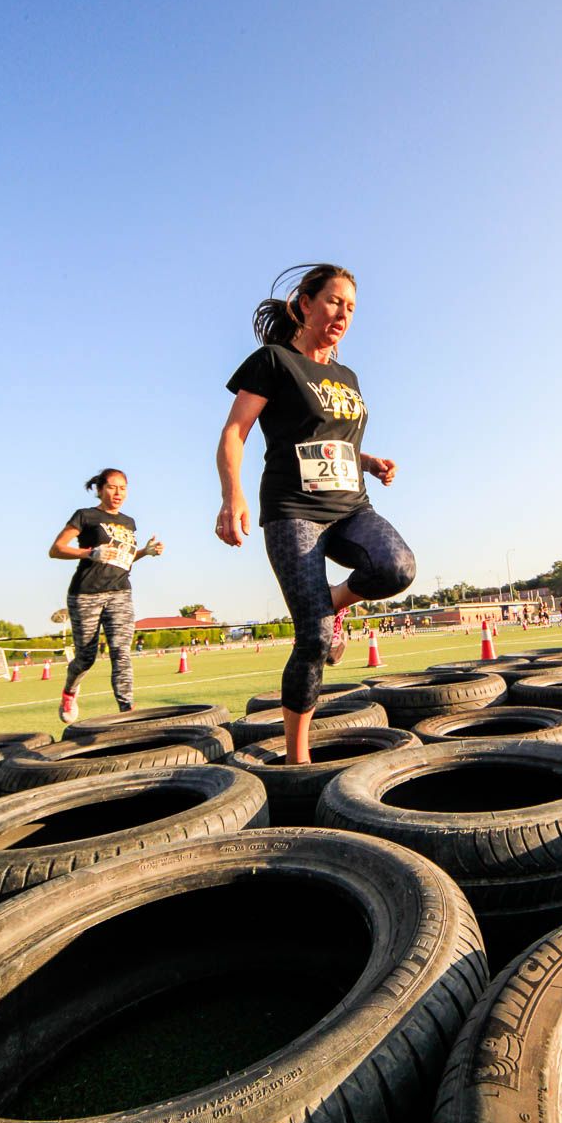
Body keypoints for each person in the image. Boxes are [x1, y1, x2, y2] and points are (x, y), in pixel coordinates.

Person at [215, 263, 416, 764]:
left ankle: (335, 598)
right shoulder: (274, 361)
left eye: (350, 307)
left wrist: (368, 461)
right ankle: (297, 758)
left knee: (397, 567)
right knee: (314, 637)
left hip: (350, 506)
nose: (342, 313)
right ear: (304, 303)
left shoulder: (347, 376)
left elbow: (335, 440)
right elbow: (235, 431)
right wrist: (231, 495)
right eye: (333, 301)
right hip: (292, 510)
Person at [49, 468, 164, 723]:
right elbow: (56, 549)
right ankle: (69, 691)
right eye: (112, 487)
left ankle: (128, 711)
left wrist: (145, 551)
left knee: (121, 652)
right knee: (85, 657)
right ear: (100, 489)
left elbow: (122, 558)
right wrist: (90, 552)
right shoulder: (85, 516)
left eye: (123, 488)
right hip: (86, 594)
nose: (117, 493)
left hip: (120, 592)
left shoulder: (129, 522)